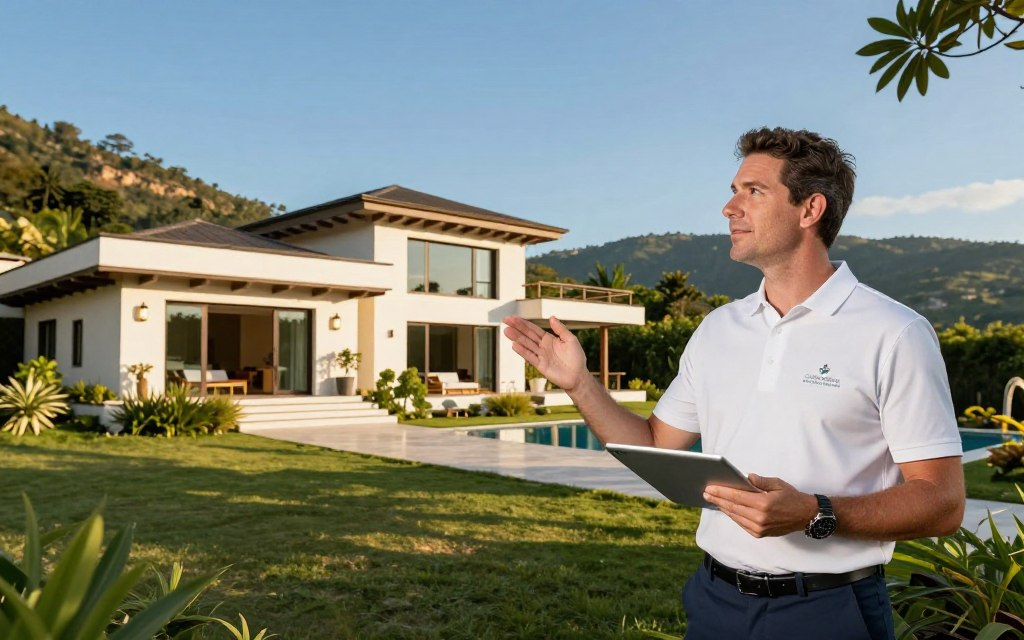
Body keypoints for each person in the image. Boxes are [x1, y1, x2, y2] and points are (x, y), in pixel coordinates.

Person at [502, 126, 965, 640]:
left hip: (829, 610)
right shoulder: (719, 328)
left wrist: (815, 512)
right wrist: (580, 385)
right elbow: (657, 445)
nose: (729, 207)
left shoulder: (894, 332)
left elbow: (942, 502)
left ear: (809, 210)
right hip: (715, 600)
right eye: (733, 190)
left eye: (753, 191)